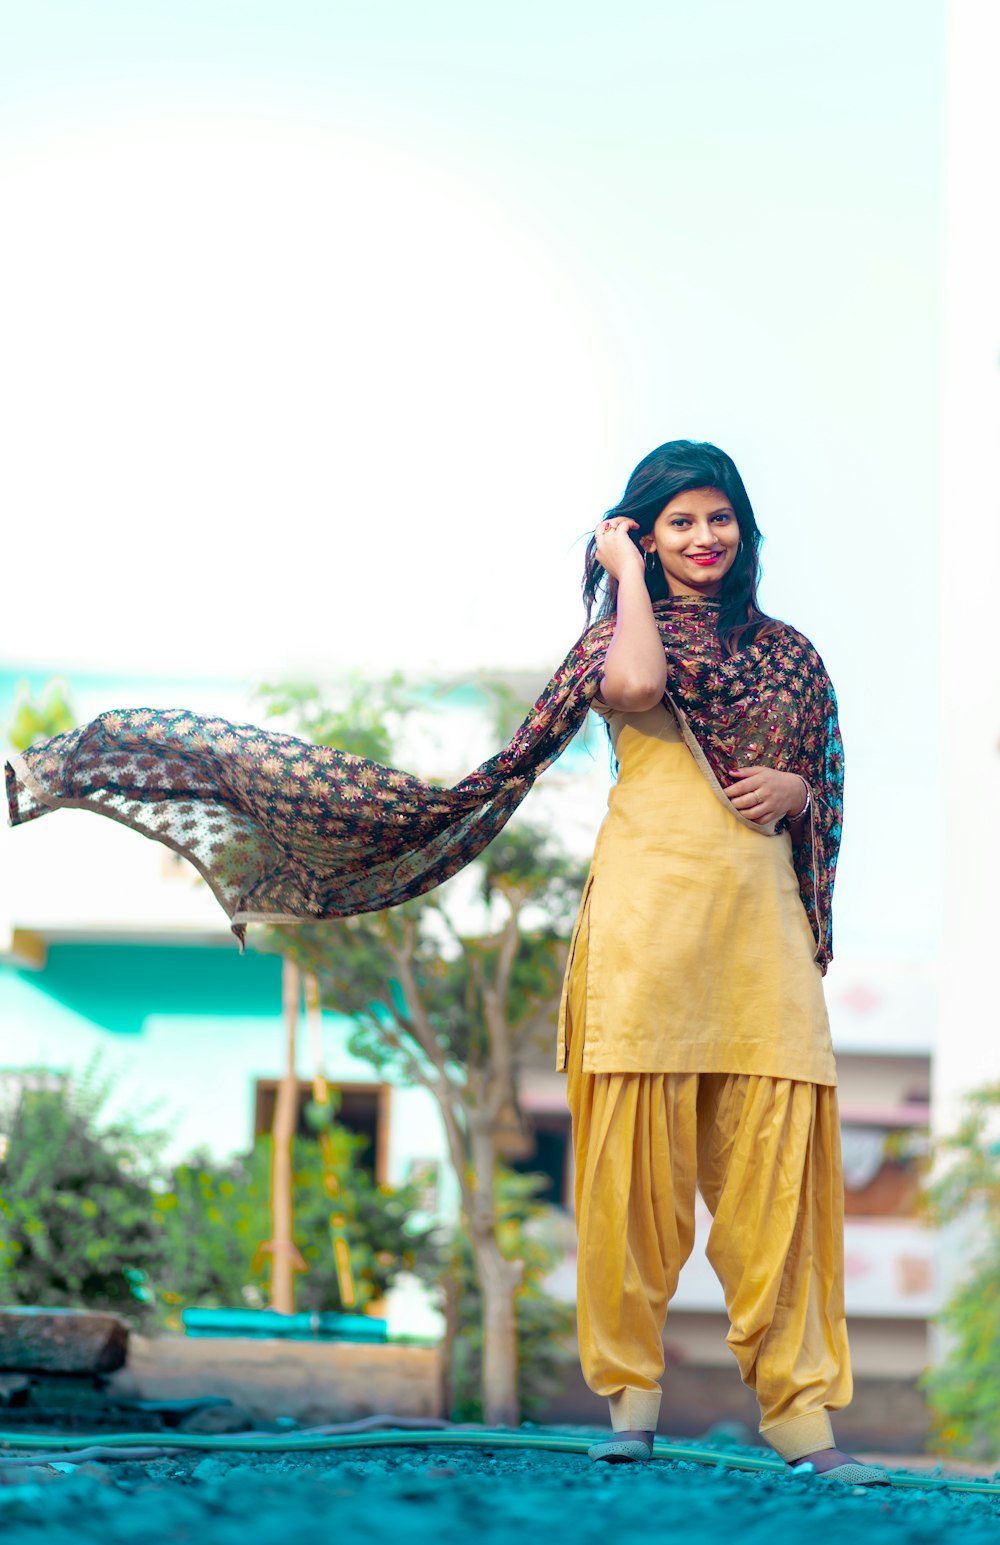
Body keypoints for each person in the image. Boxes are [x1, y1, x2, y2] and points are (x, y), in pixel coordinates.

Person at [557, 439, 878, 1482]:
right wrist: (626, 575)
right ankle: (630, 1405)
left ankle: (802, 1427)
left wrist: (797, 793)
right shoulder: (620, 634)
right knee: (631, 1181)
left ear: (744, 528)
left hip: (758, 935)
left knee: (777, 1178)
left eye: (719, 518)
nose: (705, 538)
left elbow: (822, 779)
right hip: (649, 925)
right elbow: (639, 682)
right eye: (679, 521)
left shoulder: (788, 652)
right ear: (644, 532)